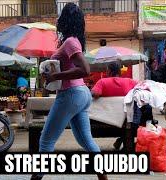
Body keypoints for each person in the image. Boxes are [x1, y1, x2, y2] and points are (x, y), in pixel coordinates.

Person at [31, 3, 106, 180]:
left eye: (60, 16)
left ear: (65, 19)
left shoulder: (70, 41)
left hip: (70, 94)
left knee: (46, 141)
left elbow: (85, 69)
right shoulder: (74, 41)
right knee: (86, 141)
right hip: (80, 94)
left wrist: (55, 76)